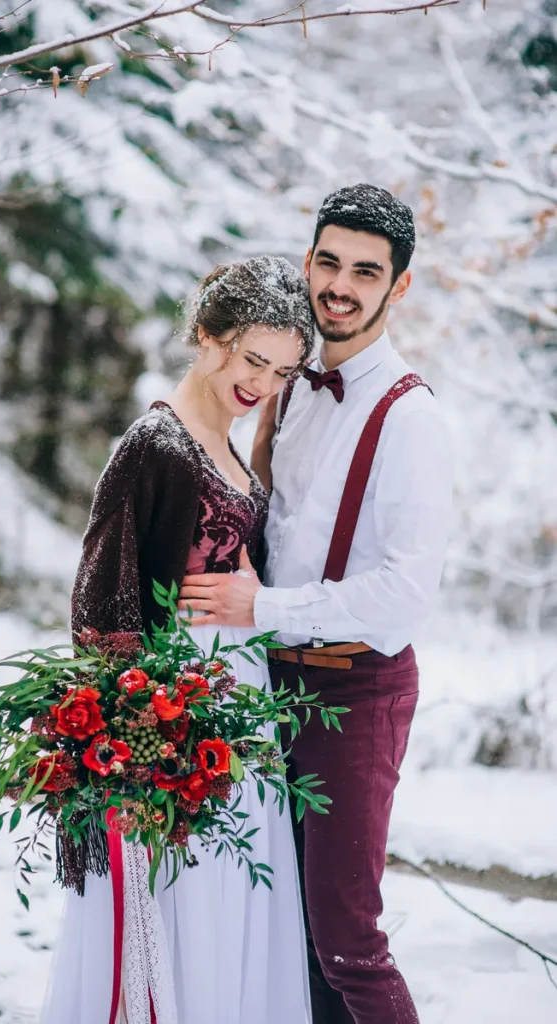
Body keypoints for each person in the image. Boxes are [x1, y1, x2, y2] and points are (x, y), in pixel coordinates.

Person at [178, 184, 454, 1024]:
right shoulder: (289, 381)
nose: (340, 284)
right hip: (270, 688)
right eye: (328, 261)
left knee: (346, 938)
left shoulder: (411, 420)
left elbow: (406, 597)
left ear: (397, 288)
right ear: (308, 261)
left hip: (355, 692)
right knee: (286, 927)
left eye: (365, 272)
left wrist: (261, 609)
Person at [40, 256, 317, 1024]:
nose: (262, 382)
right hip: (176, 713)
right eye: (254, 358)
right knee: (183, 899)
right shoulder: (154, 445)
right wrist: (130, 730)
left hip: (242, 708)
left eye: (283, 370)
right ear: (207, 334)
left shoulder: (234, 450)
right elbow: (101, 597)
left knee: (235, 902)